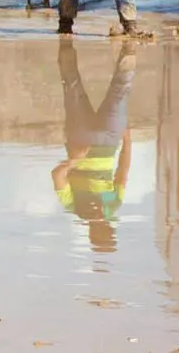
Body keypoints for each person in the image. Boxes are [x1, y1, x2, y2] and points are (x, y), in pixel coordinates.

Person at [51, 39, 135, 253]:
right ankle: (128, 47)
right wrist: (127, 141)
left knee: (79, 88)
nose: (103, 228)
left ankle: (67, 38)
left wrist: (74, 161)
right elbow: (122, 173)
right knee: (84, 89)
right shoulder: (107, 205)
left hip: (88, 139)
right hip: (100, 139)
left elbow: (57, 175)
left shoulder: (77, 206)